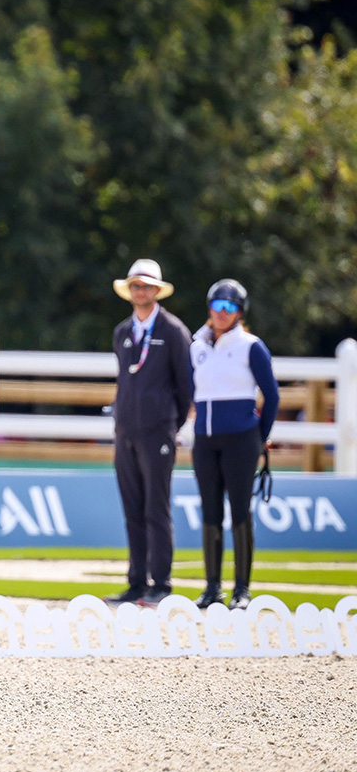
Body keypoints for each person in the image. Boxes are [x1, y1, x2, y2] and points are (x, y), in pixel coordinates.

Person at [106, 259, 193, 607]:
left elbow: (186, 386)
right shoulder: (123, 332)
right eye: (135, 286)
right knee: (132, 508)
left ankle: (162, 582)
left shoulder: (173, 332)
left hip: (158, 431)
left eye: (146, 286)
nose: (140, 291)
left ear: (157, 290)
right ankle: (136, 581)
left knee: (156, 508)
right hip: (125, 430)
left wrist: (173, 423)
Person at [189, 279, 280, 610]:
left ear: (239, 313)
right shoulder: (196, 344)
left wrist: (259, 436)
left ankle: (242, 589)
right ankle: (212, 586)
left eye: (230, 307)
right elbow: (192, 390)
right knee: (210, 511)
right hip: (205, 440)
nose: (222, 312)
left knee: (240, 511)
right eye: (217, 305)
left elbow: (272, 395)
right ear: (210, 308)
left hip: (241, 439)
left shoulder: (251, 346)